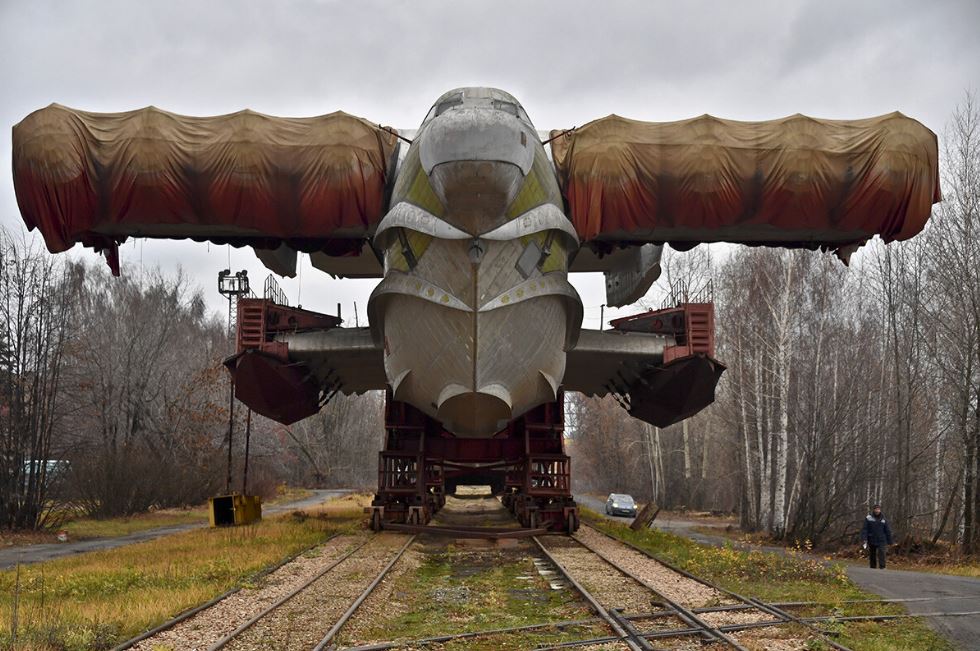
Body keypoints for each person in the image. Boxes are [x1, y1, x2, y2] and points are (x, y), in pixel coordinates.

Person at [861, 504, 894, 569]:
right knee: (872, 554)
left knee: (881, 553)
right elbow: (865, 529)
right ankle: (873, 567)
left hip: (881, 539)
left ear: (880, 510)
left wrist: (890, 541)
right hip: (871, 538)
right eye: (876, 509)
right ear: (873, 510)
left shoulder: (884, 519)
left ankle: (882, 567)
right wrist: (864, 538)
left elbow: (887, 530)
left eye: (878, 509)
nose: (877, 511)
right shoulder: (868, 518)